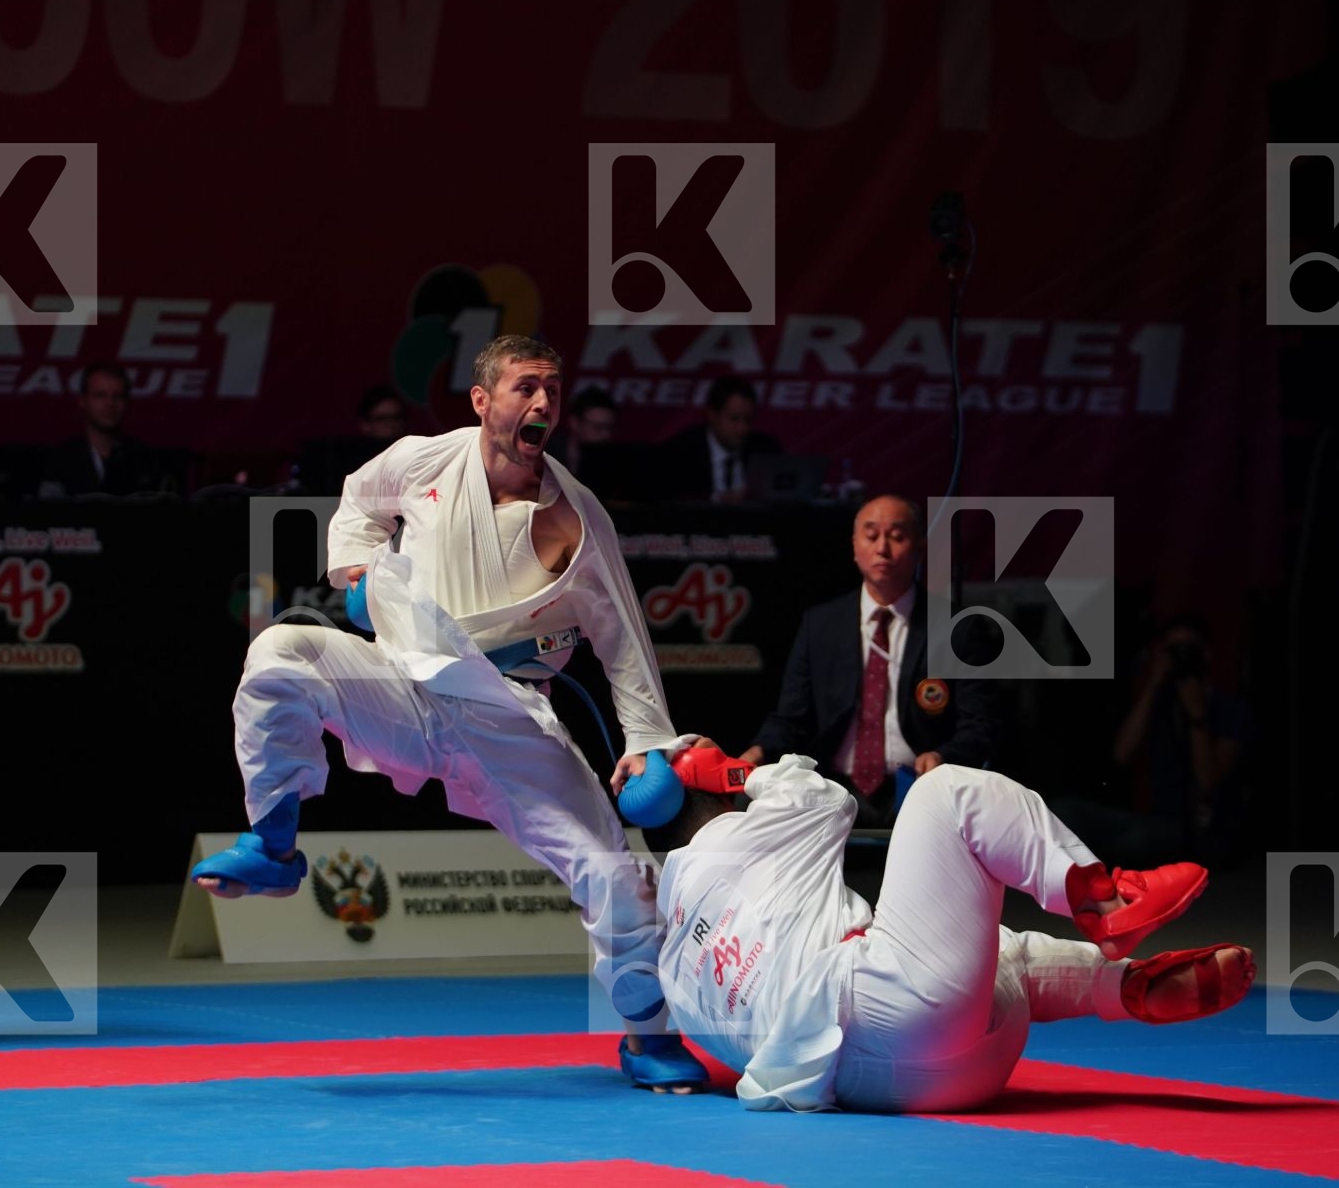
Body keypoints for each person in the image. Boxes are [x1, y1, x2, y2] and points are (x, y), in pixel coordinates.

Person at [192, 335, 709, 1091]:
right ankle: (273, 844)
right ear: (482, 400)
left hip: (509, 720)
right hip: (405, 690)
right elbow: (358, 504)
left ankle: (647, 1034)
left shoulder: (579, 515)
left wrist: (647, 741)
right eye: (526, 387)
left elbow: (622, 636)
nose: (542, 404)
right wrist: (359, 568)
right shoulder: (422, 460)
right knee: (282, 653)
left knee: (611, 871)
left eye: (553, 391)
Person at [640, 744, 1252, 1113]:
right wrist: (738, 773)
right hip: (911, 1011)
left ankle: (1120, 985)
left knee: (986, 952)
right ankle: (1105, 900)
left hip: (903, 1088)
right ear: (717, 805)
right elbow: (827, 798)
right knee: (944, 794)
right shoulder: (732, 836)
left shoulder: (675, 976)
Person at [742, 494, 997, 827]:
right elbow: (792, 718)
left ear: (919, 546)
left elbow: (980, 727)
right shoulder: (820, 625)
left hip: (920, 789)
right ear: (854, 545)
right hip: (831, 790)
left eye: (897, 536)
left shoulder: (957, 628)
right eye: (872, 535)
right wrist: (757, 751)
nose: (882, 548)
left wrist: (944, 757)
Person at [1106, 615, 1256, 864]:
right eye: (1172, 651)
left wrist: (1197, 717)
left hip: (1204, 828)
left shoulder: (1230, 709)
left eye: (1188, 650)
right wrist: (1153, 683)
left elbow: (1208, 782)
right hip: (1154, 819)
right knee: (1066, 812)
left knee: (1135, 840)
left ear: (1206, 654)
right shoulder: (1157, 703)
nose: (1180, 658)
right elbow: (1121, 755)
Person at [39, 361, 173, 497]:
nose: (110, 404)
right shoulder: (61, 459)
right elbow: (48, 513)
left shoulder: (146, 460)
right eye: (100, 395)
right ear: (82, 400)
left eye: (118, 396)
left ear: (127, 401)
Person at [660, 376, 782, 502]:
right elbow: (673, 498)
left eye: (748, 419)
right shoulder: (682, 451)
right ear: (712, 415)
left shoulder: (766, 449)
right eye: (734, 419)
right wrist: (717, 499)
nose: (743, 428)